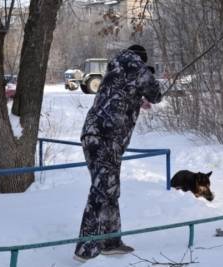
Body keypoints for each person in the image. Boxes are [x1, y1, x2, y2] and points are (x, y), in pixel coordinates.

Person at [74, 45, 162, 262]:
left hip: (92, 134)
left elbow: (120, 94)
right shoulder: (136, 65)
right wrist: (149, 79)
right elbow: (156, 94)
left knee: (109, 188)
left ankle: (110, 241)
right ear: (141, 59)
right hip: (108, 137)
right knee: (102, 189)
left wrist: (137, 100)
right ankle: (85, 249)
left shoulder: (115, 68)